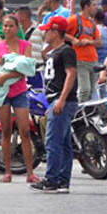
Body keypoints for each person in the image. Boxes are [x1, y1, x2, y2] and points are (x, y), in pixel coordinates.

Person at [0, 15, 38, 182]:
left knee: (25, 131)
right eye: (5, 26)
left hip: (20, 92)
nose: (8, 29)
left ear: (17, 28)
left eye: (11, 26)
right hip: (2, 93)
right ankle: (7, 172)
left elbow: (28, 70)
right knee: (6, 131)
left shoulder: (25, 46)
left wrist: (6, 75)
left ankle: (30, 173)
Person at [30, 16, 78, 193]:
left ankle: (51, 179)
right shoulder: (54, 51)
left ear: (55, 32)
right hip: (54, 99)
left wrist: (62, 99)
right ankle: (62, 180)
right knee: (63, 143)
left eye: (48, 31)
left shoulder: (66, 51)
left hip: (60, 100)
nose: (44, 34)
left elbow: (71, 74)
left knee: (52, 142)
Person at [65, 0, 101, 102]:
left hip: (93, 60)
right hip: (80, 60)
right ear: (86, 6)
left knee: (91, 91)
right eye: (94, 5)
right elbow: (62, 33)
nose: (96, 8)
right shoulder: (74, 20)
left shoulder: (92, 22)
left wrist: (89, 41)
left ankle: (86, 114)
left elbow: (99, 42)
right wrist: (73, 40)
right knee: (84, 89)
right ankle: (79, 113)